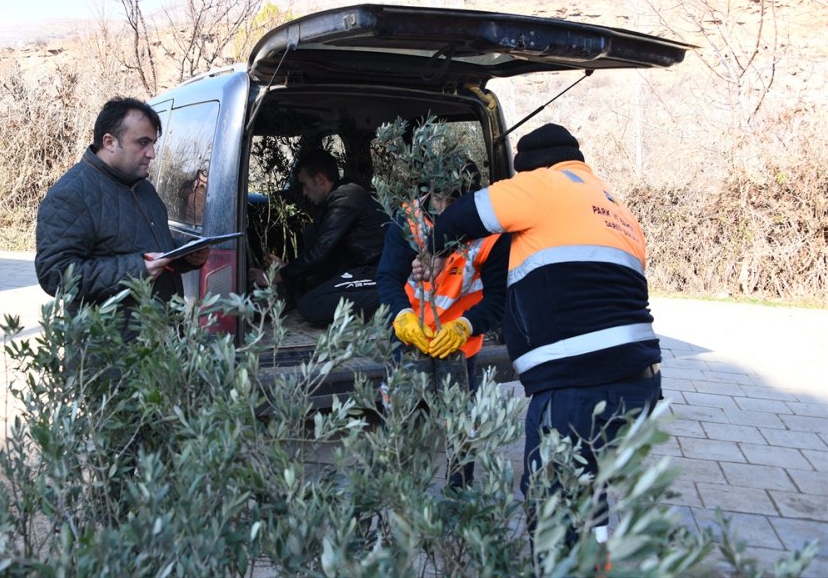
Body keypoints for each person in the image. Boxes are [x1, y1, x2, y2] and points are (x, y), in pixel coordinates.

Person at [426, 123, 662, 543]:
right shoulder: (617, 209)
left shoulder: (544, 185)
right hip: (639, 383)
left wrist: (433, 254)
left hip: (578, 382)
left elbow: (459, 218)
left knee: (552, 504)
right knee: (588, 488)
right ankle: (598, 559)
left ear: (530, 168)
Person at [377, 161, 510, 488]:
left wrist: (465, 326)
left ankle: (458, 501)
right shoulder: (407, 221)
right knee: (398, 427)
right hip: (409, 342)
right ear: (427, 193)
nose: (447, 208)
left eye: (456, 201)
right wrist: (401, 316)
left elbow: (498, 299)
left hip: (459, 347)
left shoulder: (490, 234)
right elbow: (387, 278)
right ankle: (394, 496)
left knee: (462, 431)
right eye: (440, 199)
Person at [35, 97, 209, 329]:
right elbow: (55, 275)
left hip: (159, 343)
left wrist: (184, 254)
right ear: (109, 142)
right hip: (111, 353)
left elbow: (143, 245)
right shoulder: (71, 194)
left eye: (153, 143)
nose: (152, 153)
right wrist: (138, 270)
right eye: (142, 143)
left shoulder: (142, 187)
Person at [249, 149, 388, 325]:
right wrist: (289, 268)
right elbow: (327, 257)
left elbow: (320, 251)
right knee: (310, 292)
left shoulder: (347, 197)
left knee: (311, 305)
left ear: (320, 180)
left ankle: (394, 298)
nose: (304, 192)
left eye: (305, 184)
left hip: (378, 272)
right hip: (364, 270)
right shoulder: (337, 199)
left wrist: (279, 276)